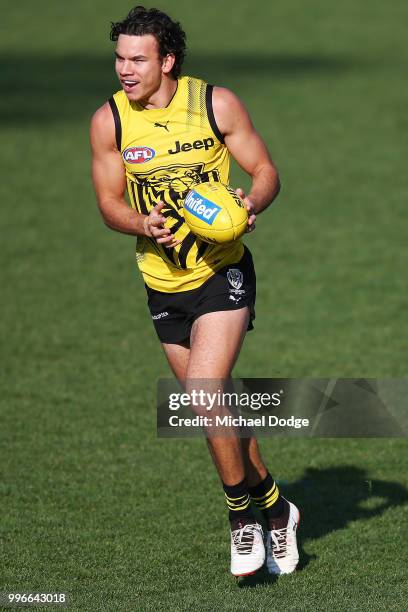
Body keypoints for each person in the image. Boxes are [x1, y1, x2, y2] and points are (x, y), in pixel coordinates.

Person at [90, 5, 299, 577]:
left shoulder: (214, 104)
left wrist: (249, 206)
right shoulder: (109, 120)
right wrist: (141, 224)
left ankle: (242, 519)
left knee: (207, 392)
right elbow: (109, 203)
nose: (125, 69)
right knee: (214, 409)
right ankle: (279, 510)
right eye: (120, 58)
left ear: (167, 61)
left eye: (137, 59)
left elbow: (266, 171)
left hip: (221, 273)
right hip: (161, 281)